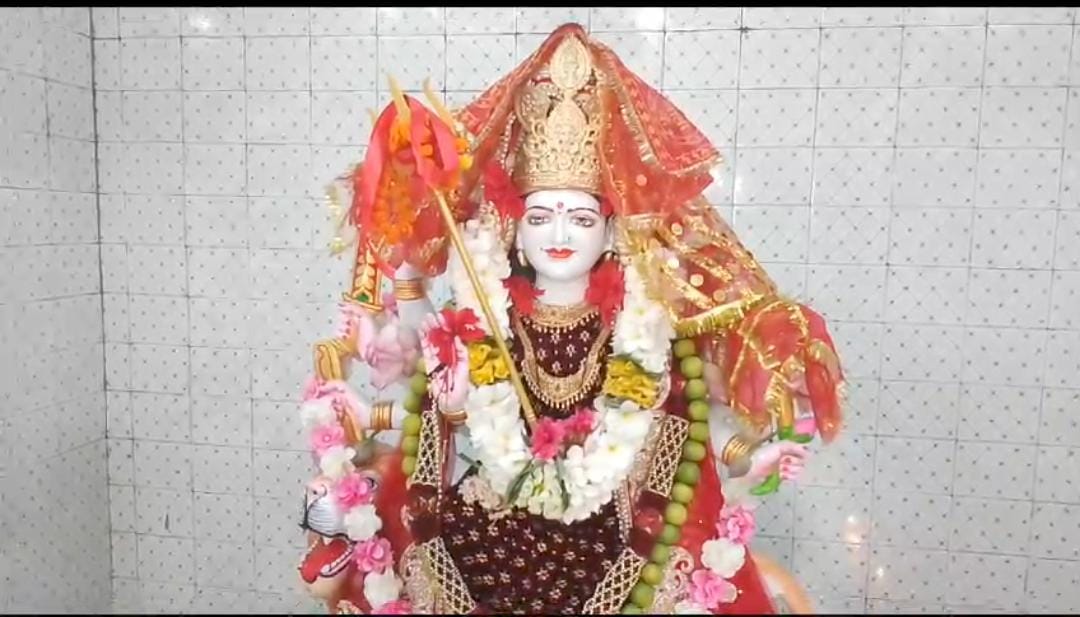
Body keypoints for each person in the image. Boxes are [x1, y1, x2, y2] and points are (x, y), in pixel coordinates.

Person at [296, 23, 844, 615]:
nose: (559, 235)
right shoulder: (486, 317)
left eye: (580, 219)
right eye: (541, 218)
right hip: (494, 516)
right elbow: (461, 427)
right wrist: (454, 405)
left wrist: (744, 456)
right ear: (516, 231)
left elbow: (684, 416)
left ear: (609, 233)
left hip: (615, 521)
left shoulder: (642, 321)